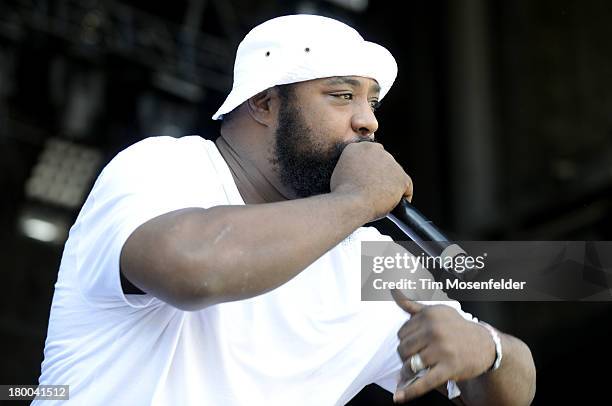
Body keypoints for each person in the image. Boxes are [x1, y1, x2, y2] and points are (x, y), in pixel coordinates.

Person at [35, 14, 536, 405]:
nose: (367, 123)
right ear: (265, 103)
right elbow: (192, 269)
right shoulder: (167, 165)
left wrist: (488, 349)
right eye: (342, 96)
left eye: (372, 103)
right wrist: (358, 200)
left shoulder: (365, 261)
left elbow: (516, 384)